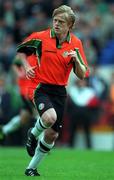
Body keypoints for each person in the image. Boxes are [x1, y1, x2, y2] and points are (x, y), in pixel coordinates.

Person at [17, 5, 89, 176]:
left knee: (51, 136)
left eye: (61, 22)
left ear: (69, 26)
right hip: (41, 87)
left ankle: (31, 168)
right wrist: (27, 67)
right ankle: (33, 134)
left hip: (60, 92)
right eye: (55, 20)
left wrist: (76, 60)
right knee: (50, 118)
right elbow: (21, 52)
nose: (56, 24)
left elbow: (82, 75)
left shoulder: (76, 43)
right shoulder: (41, 37)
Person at [0, 55, 37, 145]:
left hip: (32, 90)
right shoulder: (25, 52)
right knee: (40, 114)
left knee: (24, 117)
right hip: (28, 91)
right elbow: (15, 62)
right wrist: (20, 74)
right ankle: (40, 143)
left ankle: (4, 130)